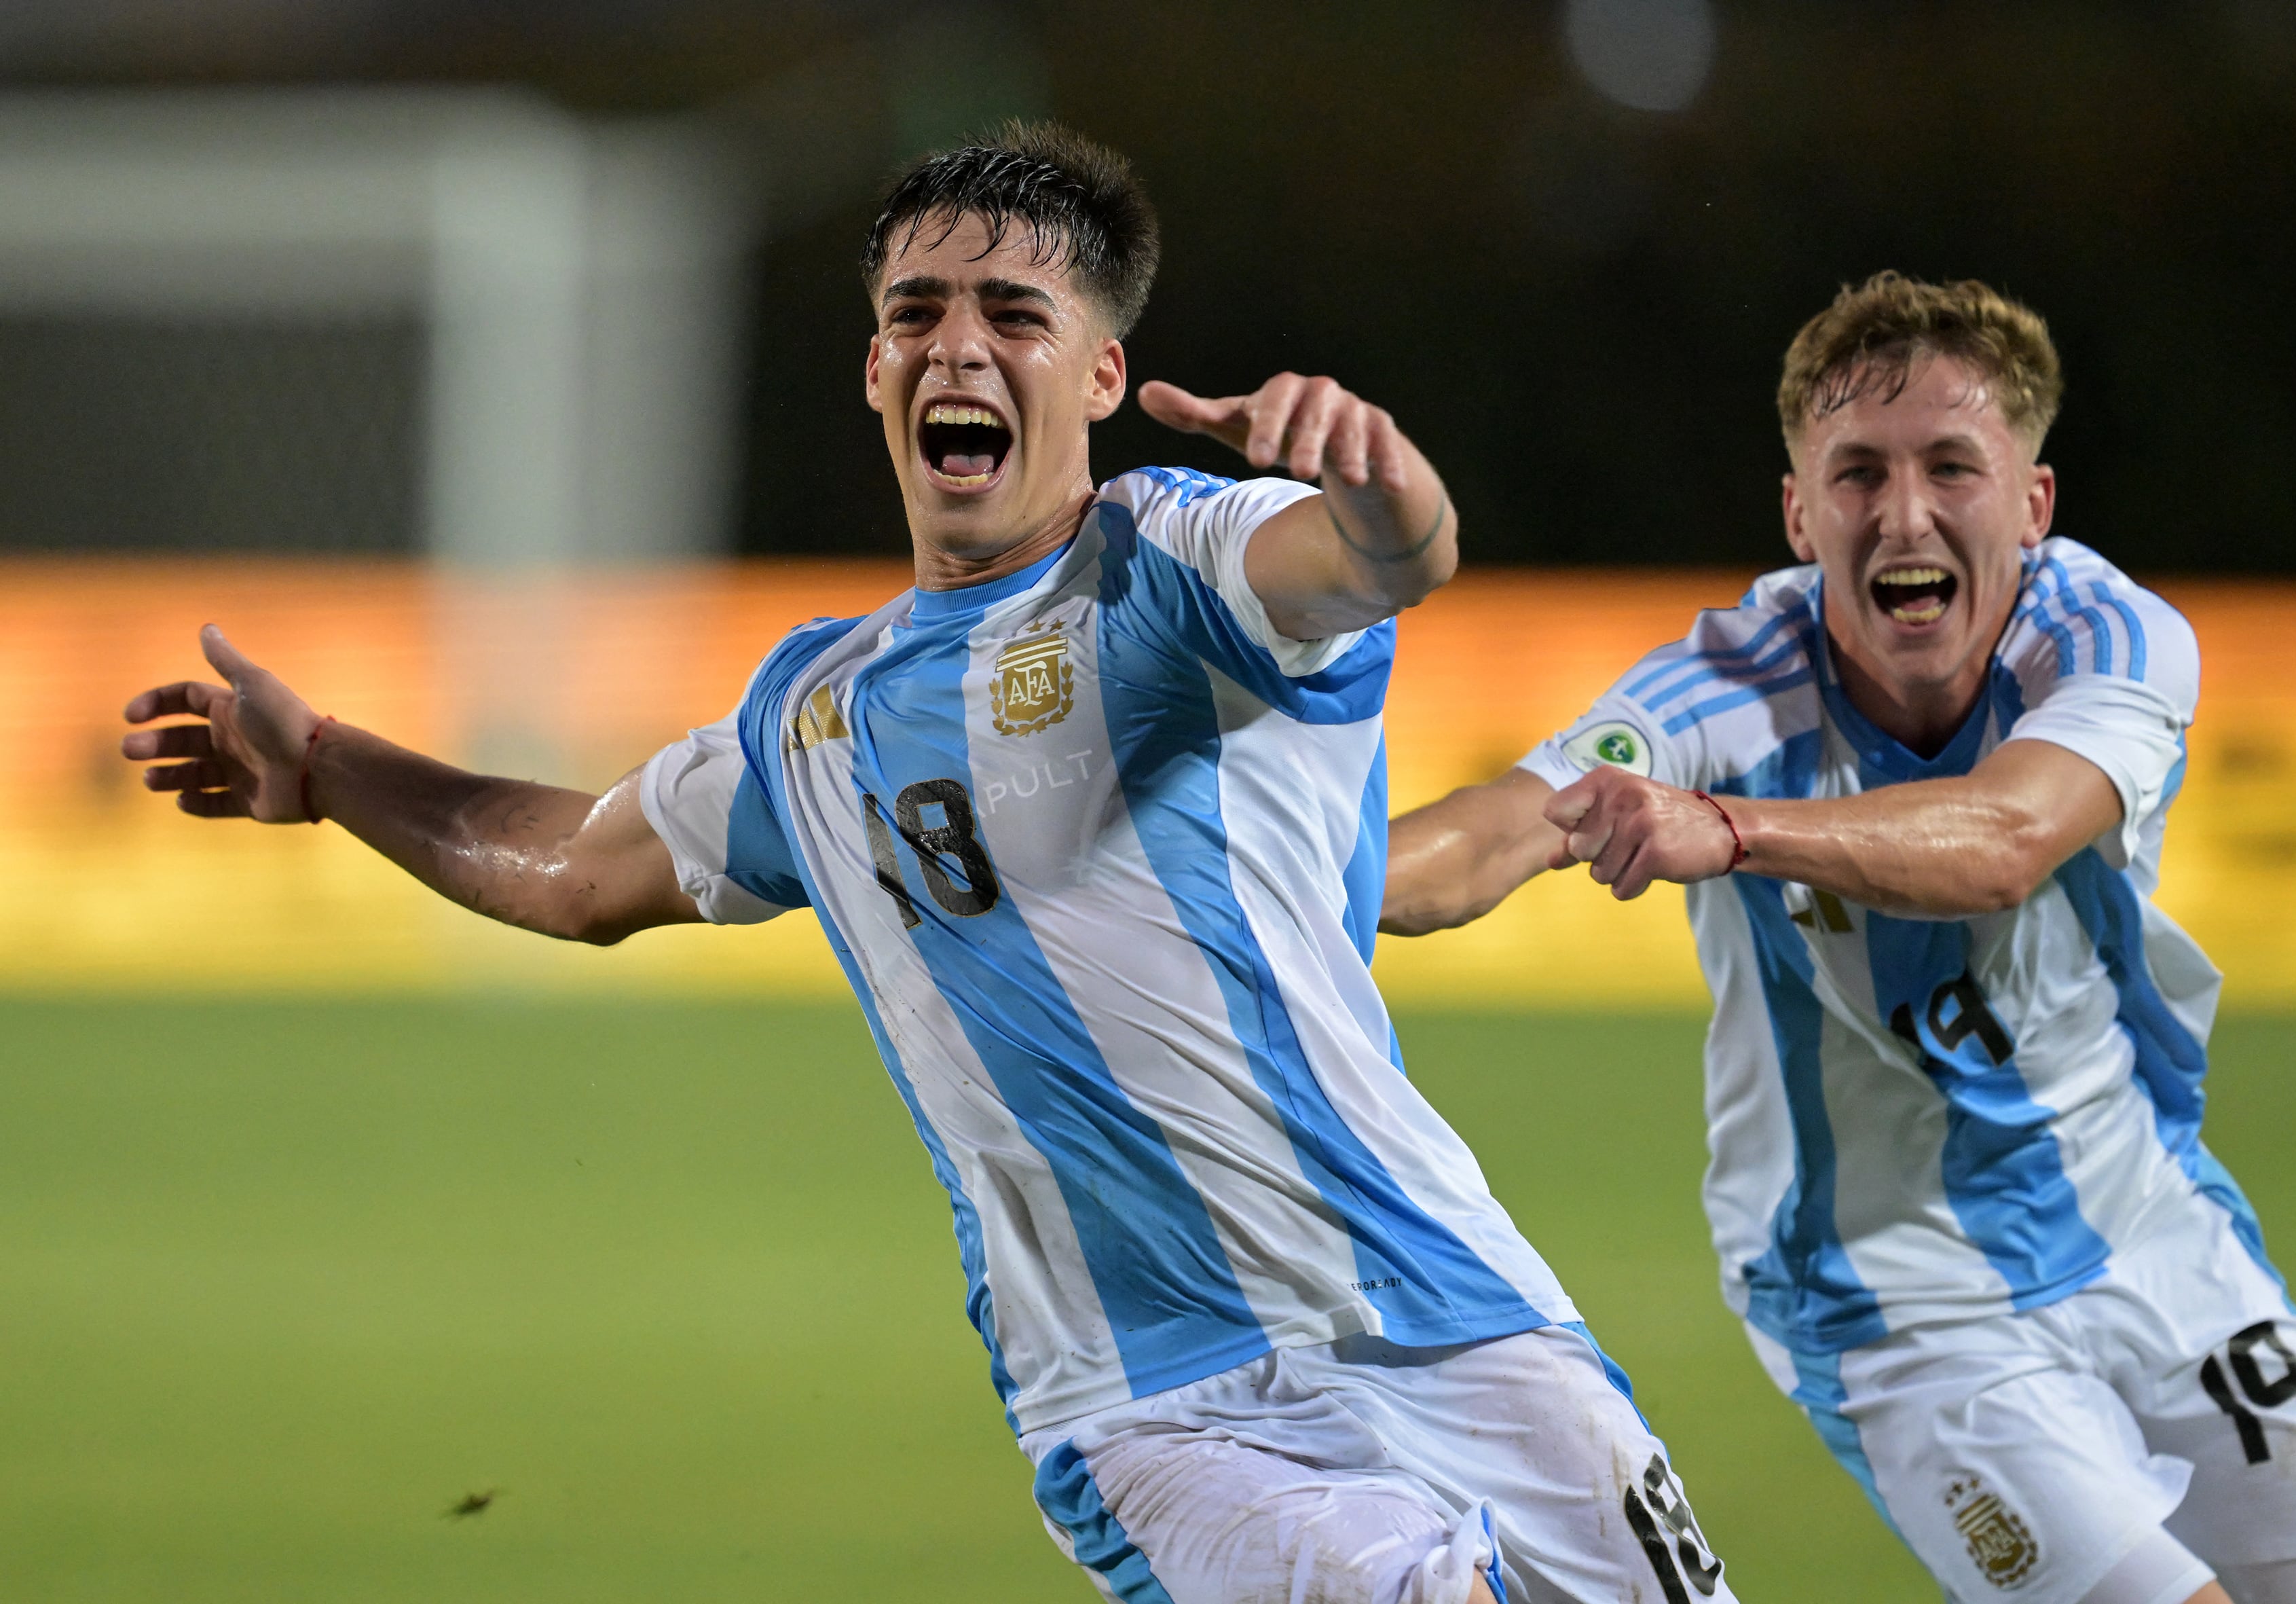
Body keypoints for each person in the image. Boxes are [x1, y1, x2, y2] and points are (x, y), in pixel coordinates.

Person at [123, 123, 1733, 1604]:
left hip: (1449, 1309)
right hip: (1148, 1401)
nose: (956, 343)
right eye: (917, 310)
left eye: (1012, 315)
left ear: (1102, 374)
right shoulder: (813, 714)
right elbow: (573, 869)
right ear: (875, 369)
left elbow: (1384, 556)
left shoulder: (1174, 564)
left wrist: (1375, 481)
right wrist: (333, 765)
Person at [1383, 271, 2296, 1604]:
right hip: (1889, 1294)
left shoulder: (2107, 635)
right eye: (1855, 473)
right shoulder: (1723, 683)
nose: (1903, 511)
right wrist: (1265, 890)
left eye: (1949, 466)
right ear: (1799, 513)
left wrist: (1731, 829)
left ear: (2030, 506)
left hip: (2144, 1221)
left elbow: (2001, 839)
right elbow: (1504, 828)